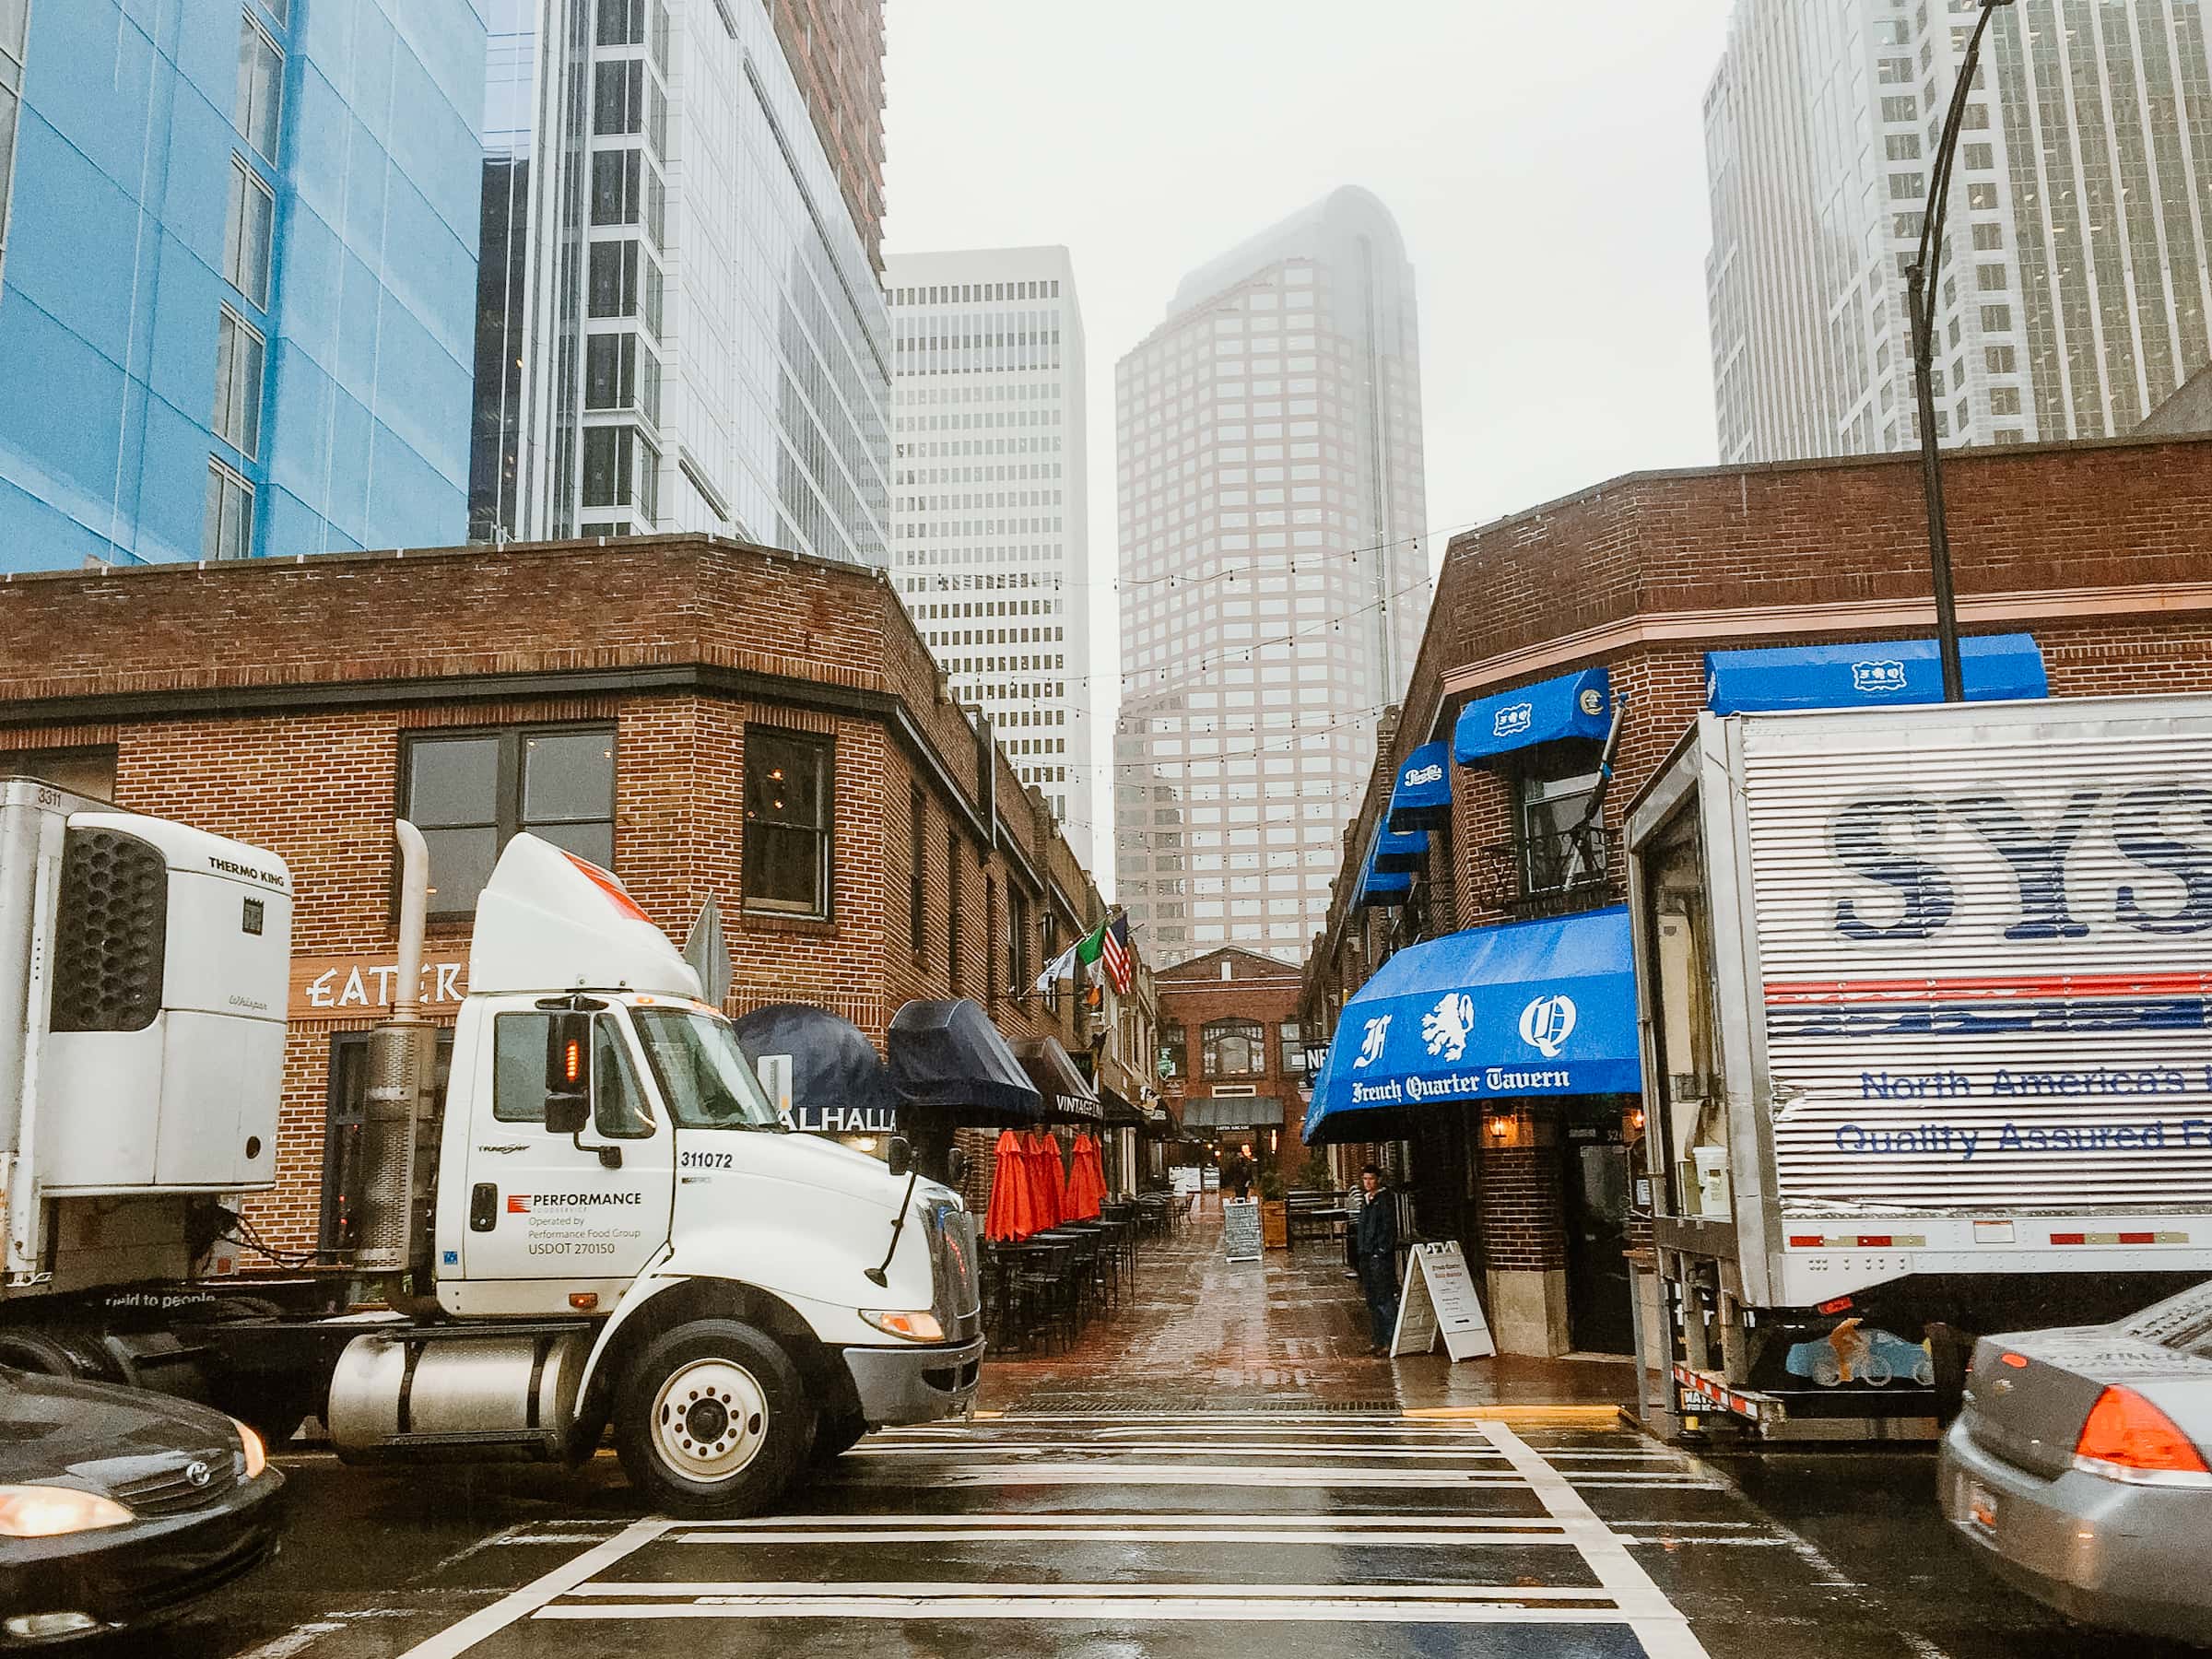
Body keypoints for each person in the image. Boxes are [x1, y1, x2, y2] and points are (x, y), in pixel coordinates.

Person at [1353, 1165, 1399, 1357]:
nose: (1368, 1183)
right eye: (1365, 1179)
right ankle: (1377, 1339)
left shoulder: (1385, 1200)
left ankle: (1389, 1339)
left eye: (1371, 1179)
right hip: (1366, 1255)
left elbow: (1388, 1227)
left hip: (1379, 1257)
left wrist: (1381, 1250)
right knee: (1372, 1299)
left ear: (1378, 1179)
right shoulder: (1365, 1201)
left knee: (1384, 1298)